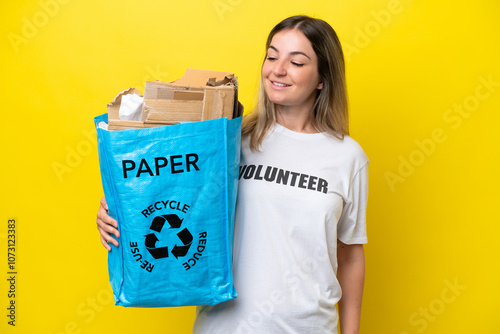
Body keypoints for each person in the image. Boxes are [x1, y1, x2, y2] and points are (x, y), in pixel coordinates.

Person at [96, 15, 368, 334]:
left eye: (296, 62)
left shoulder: (347, 157)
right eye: (271, 56)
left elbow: (350, 255)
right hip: (223, 326)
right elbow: (168, 194)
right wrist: (116, 211)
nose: (277, 70)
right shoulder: (225, 141)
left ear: (322, 78)